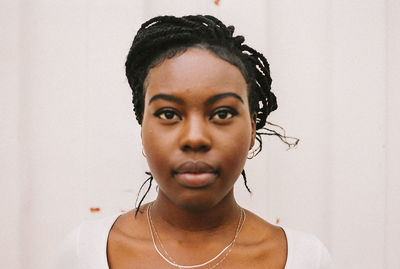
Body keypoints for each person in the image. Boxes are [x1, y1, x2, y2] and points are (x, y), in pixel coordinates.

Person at [56, 15, 333, 268]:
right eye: (168, 113)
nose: (195, 138)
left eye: (222, 113)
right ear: (143, 127)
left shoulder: (305, 259)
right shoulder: (85, 253)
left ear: (251, 129)